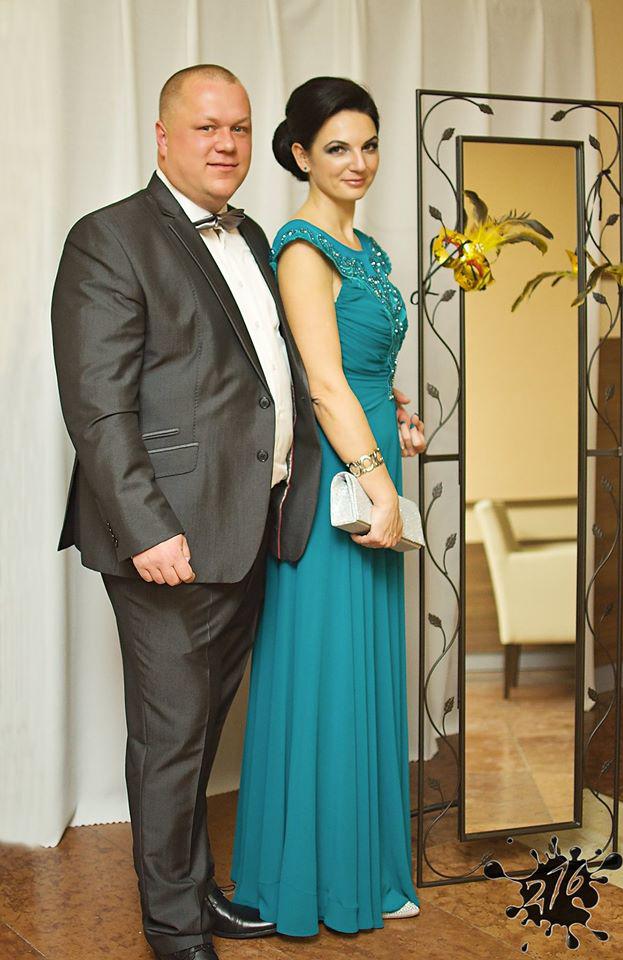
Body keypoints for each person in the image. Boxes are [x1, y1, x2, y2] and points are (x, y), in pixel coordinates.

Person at [51, 64, 321, 960]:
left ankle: (194, 894)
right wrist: (147, 527)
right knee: (170, 739)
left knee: (199, 734)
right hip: (167, 535)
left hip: (248, 523)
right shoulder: (109, 238)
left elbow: (264, 373)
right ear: (163, 137)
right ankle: (173, 929)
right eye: (206, 128)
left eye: (239, 128)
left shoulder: (253, 237)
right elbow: (98, 407)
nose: (226, 144)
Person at [230, 76, 427, 937]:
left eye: (370, 144)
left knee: (365, 673)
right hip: (338, 482)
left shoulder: (367, 246)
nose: (359, 162)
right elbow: (321, 384)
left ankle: (368, 872)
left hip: (371, 450)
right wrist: (381, 486)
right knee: (328, 675)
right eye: (338, 147)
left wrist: (400, 416)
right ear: (301, 154)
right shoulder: (303, 249)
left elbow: (366, 366)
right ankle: (314, 882)